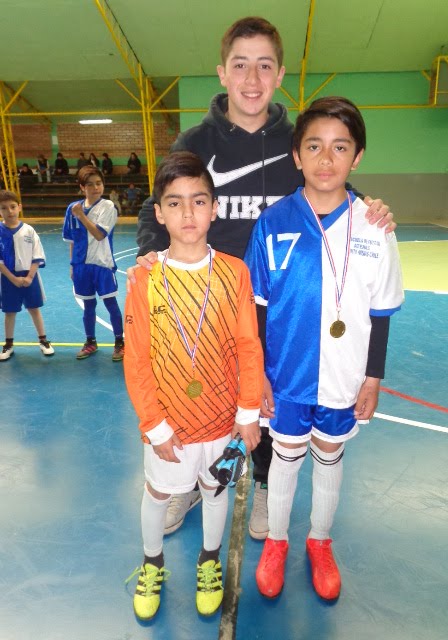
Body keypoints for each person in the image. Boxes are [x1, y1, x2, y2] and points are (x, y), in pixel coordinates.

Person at [134, 16, 396, 541]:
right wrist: (149, 255)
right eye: (240, 66)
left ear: (279, 76)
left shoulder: (295, 140)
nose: (252, 78)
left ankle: (260, 483)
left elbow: (334, 186)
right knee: (194, 399)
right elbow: (157, 202)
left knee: (267, 405)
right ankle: (186, 483)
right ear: (222, 74)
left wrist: (373, 209)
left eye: (264, 66)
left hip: (272, 311)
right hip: (201, 305)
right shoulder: (196, 140)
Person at [244, 96, 404, 601]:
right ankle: (277, 542)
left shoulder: (375, 228)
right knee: (286, 458)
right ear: (296, 155)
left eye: (340, 147)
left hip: (345, 376)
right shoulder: (272, 223)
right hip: (286, 375)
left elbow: (380, 314)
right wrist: (260, 377)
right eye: (314, 146)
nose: (326, 159)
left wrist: (373, 377)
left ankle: (319, 541)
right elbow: (258, 307)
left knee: (330, 457)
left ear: (357, 157)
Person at [123, 151, 263, 620]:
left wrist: (248, 412)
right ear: (159, 212)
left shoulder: (234, 272)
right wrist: (154, 425)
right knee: (160, 494)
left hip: (222, 417)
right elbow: (137, 359)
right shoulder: (145, 278)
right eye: (175, 203)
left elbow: (247, 345)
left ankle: (208, 561)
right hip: (169, 423)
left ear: (214, 208)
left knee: (215, 488)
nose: (188, 213)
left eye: (199, 201)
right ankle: (151, 561)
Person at [62, 165, 125, 361]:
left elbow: (99, 234)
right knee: (88, 306)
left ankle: (119, 343)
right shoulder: (72, 209)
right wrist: (73, 265)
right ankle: (91, 342)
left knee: (111, 304)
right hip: (81, 267)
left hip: (102, 265)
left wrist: (81, 215)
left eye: (99, 183)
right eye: (90, 184)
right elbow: (71, 240)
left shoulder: (107, 207)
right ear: (82, 187)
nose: (95, 188)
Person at [0, 190, 55, 360]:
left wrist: (30, 277)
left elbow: (36, 256)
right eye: (4, 208)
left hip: (29, 276)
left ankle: (43, 340)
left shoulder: (29, 231)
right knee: (10, 312)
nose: (9, 211)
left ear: (19, 207)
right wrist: (13, 278)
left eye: (13, 207)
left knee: (34, 309)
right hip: (8, 278)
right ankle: (8, 344)